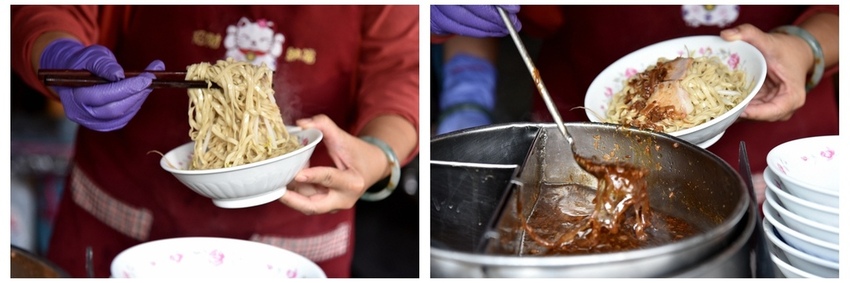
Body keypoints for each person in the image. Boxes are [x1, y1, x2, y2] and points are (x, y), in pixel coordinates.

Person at [11, 5, 419, 278]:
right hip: (121, 220)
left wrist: (379, 155)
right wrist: (59, 56)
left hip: (295, 241)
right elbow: (48, 11)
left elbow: (401, 70)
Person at [431, 5, 839, 206]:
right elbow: (501, 14)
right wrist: (468, 91)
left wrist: (808, 47)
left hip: (779, 152)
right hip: (589, 141)